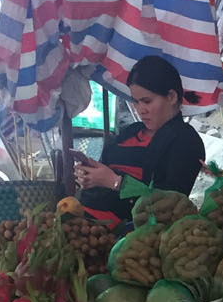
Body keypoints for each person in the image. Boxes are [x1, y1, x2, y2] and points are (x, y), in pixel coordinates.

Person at [74, 55, 206, 224]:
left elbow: (168, 206)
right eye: (136, 102)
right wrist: (90, 175)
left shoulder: (186, 141)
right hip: (82, 218)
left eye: (147, 101)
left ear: (171, 97)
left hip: (129, 232)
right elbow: (106, 168)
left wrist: (115, 182)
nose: (140, 109)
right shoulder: (132, 130)